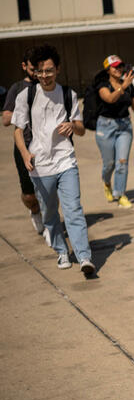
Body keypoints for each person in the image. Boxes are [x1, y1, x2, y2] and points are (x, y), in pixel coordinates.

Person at [11, 44, 95, 276]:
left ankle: (84, 257)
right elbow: (18, 131)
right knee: (49, 213)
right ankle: (61, 250)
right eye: (40, 71)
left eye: (49, 70)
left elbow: (81, 129)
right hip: (40, 165)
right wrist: (25, 154)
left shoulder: (68, 95)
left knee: (73, 209)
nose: (45, 75)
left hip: (66, 161)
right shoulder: (26, 96)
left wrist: (72, 126)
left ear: (57, 69)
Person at [3, 48, 46, 240]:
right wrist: (26, 109)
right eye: (32, 68)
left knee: (50, 189)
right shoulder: (17, 88)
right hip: (25, 146)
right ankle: (35, 210)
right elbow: (6, 119)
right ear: (23, 66)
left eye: (39, 68)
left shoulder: (48, 84)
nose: (37, 72)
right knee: (29, 195)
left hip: (47, 146)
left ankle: (51, 222)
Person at [94, 54, 134, 208]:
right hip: (106, 127)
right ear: (108, 70)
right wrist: (123, 87)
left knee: (122, 162)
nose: (119, 69)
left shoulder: (128, 85)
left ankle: (120, 194)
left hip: (125, 126)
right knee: (109, 164)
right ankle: (106, 183)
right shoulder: (103, 85)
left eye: (120, 66)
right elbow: (110, 99)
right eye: (115, 67)